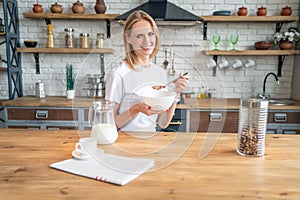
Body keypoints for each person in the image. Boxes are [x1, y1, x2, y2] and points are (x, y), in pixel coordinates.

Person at [105, 10, 189, 132]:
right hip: (124, 143)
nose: (147, 41)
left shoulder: (159, 73)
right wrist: (136, 108)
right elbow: (109, 124)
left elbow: (162, 123)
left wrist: (176, 93)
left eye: (150, 34)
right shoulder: (118, 74)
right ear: (128, 38)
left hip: (150, 142)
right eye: (139, 36)